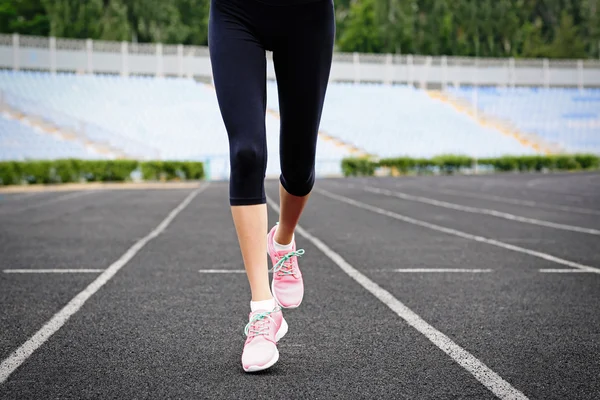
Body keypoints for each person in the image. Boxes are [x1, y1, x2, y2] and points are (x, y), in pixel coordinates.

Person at [208, 0, 335, 372]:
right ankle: (263, 314)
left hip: (306, 16)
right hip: (236, 12)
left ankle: (282, 242)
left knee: (299, 167)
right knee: (246, 152)